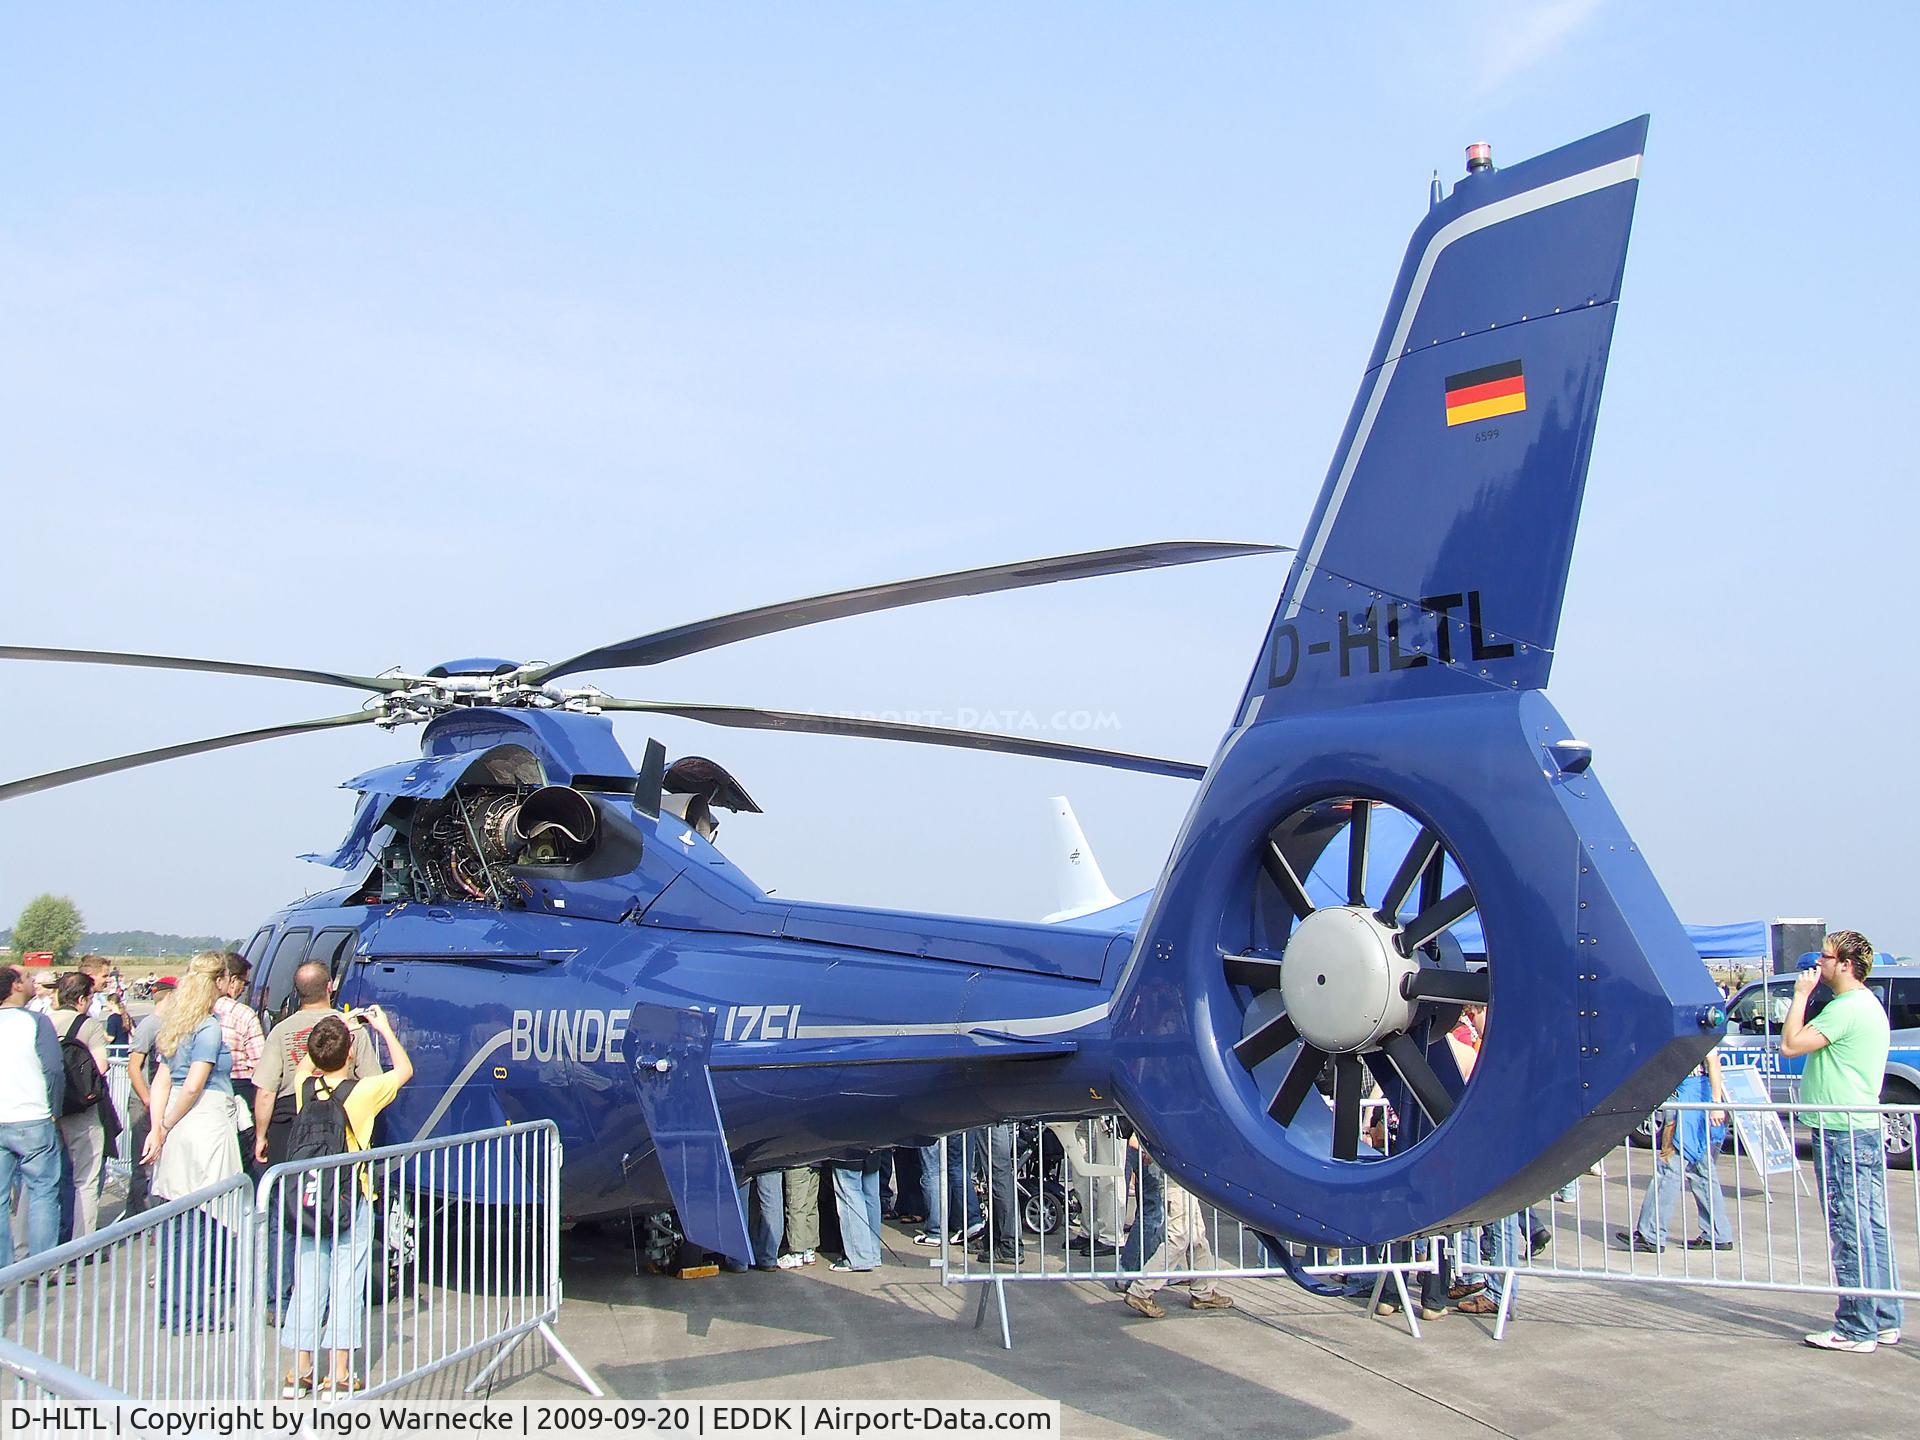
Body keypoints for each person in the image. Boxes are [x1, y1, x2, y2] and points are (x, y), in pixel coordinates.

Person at [1783, 929, 1904, 1352]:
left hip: (1841, 1129)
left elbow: (1791, 1044)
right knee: (1872, 1226)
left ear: (1846, 965)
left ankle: (1856, 1327)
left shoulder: (1846, 1008)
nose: (1819, 964)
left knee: (1850, 1227)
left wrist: (1800, 996)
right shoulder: (1866, 1005)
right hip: (1860, 1125)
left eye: (1826, 957)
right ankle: (1885, 1317)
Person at [281, 1007, 412, 1397]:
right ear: (350, 1053)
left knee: (307, 1283)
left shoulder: (304, 1087)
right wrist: (382, 1029)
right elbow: (404, 1070)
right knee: (346, 1285)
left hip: (308, 1196)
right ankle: (338, 1374)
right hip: (350, 1195)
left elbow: (308, 1061)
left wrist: (336, 1029)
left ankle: (299, 1371)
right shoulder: (363, 1092)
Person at [253, 963, 382, 1167]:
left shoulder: (280, 1031)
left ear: (297, 991)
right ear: (329, 987)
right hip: (341, 1122)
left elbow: (266, 1092)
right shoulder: (351, 1028)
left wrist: (261, 1136)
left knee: (289, 1191)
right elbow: (373, 1081)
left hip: (290, 1123)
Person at [1615, 1048, 1733, 1253]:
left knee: (1669, 1168)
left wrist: (1716, 1104)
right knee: (1701, 1171)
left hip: (1687, 1101)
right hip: (1695, 1097)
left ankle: (1651, 1233)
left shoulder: (1693, 1029)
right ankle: (1718, 1232)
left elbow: (1713, 1062)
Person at [0, 964, 65, 1268]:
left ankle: (4, 1267)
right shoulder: (37, 1022)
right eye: (27, 978)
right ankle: (41, 1265)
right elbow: (53, 1069)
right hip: (32, 1115)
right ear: (14, 985)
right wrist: (54, 1109)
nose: (32, 982)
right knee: (42, 1192)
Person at [1120, 1157, 1234, 1318]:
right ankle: (1141, 1291)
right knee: (1178, 1238)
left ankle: (1203, 1291)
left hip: (1182, 1173)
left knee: (1196, 1234)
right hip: (1178, 1173)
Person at [52, 971, 116, 1241]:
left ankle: (31, 1249)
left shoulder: (43, 1021)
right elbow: (100, 1067)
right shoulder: (87, 1025)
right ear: (81, 999)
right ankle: (81, 1244)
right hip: (82, 1110)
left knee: (48, 1181)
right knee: (86, 1180)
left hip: (50, 1108)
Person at [123, 976, 177, 1216]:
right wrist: (147, 1098)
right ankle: (138, 1216)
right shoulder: (149, 1025)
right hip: (144, 1103)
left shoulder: (172, 1024)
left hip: (159, 1101)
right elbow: (134, 1066)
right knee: (143, 1164)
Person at [213, 953, 266, 1172]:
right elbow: (260, 1063)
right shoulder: (244, 1015)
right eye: (244, 982)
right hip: (240, 1091)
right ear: (232, 980)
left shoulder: (191, 1012)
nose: (244, 988)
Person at [829, 1154, 885, 1272]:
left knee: (850, 1194)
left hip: (847, 1150)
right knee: (871, 1196)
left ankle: (859, 1258)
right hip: (873, 1147)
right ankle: (872, 1254)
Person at [777, 1163, 820, 1268]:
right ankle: (809, 1251)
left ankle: (797, 1254)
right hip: (817, 1161)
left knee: (796, 1207)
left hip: (797, 1162)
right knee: (811, 1205)